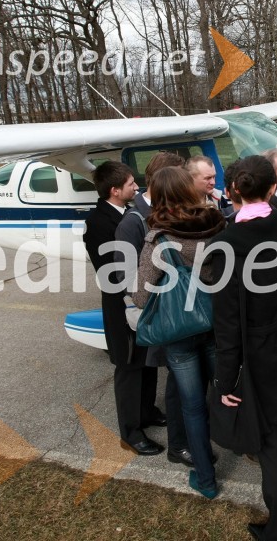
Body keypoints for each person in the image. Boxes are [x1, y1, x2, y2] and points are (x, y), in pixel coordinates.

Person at [209, 155, 277, 540]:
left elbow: (225, 326)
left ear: (232, 191)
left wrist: (225, 382)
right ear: (273, 188)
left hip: (258, 355)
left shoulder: (224, 246)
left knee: (272, 445)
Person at [132, 166, 226, 498]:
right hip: (215, 323)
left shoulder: (159, 239)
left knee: (193, 406)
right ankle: (250, 445)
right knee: (227, 391)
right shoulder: (215, 225)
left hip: (179, 332)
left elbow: (141, 295)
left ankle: (206, 478)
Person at [83, 161, 165, 457]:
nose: (137, 187)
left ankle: (147, 411)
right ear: (115, 190)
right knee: (129, 366)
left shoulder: (132, 213)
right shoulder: (99, 222)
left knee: (147, 358)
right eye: (131, 184)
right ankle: (130, 432)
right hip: (121, 303)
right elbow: (113, 270)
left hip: (140, 297)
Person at [116, 151, 191, 465]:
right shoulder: (132, 223)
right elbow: (127, 278)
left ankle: (159, 420)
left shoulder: (166, 212)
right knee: (148, 373)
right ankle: (145, 436)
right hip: (152, 312)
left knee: (163, 375)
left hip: (171, 311)